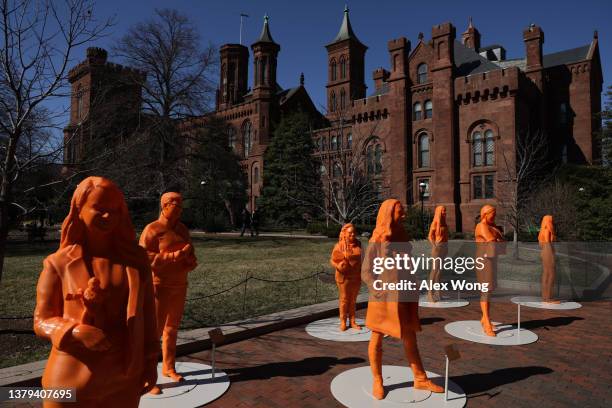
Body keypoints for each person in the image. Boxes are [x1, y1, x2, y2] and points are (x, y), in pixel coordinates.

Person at [33, 177, 158, 407]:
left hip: (124, 379)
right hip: (69, 382)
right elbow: (41, 321)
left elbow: (149, 315)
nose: (108, 216)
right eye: (99, 209)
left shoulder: (137, 260)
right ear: (79, 210)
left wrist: (150, 362)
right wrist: (75, 332)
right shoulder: (57, 263)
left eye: (114, 210)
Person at [362, 199, 443, 400]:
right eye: (401, 212)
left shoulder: (402, 235)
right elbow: (365, 270)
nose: (405, 215)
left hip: (404, 295)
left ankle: (420, 378)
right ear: (389, 213)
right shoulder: (378, 237)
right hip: (384, 297)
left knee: (410, 337)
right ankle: (377, 380)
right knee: (376, 337)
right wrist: (374, 286)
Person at [139, 192, 197, 391]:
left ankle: (168, 367)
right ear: (164, 205)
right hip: (158, 286)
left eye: (182, 205)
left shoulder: (182, 229)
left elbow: (191, 256)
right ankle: (147, 377)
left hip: (179, 285)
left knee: (172, 329)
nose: (180, 209)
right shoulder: (152, 230)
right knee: (153, 334)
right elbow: (144, 258)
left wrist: (190, 261)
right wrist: (174, 256)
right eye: (176, 205)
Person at [474, 205, 505, 337]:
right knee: (485, 290)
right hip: (484, 261)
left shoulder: (493, 227)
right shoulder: (481, 226)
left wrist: (498, 241)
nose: (495, 216)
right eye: (493, 214)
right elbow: (493, 242)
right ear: (485, 214)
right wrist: (497, 240)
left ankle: (484, 317)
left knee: (489, 289)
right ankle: (486, 321)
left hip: (492, 260)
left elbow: (502, 246)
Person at [330, 224, 362, 331]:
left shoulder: (359, 244)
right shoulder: (339, 246)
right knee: (344, 300)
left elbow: (361, 259)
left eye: (354, 232)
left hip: (356, 276)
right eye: (350, 233)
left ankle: (352, 321)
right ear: (345, 234)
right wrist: (338, 266)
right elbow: (332, 260)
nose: (353, 234)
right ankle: (343, 321)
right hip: (344, 277)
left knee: (353, 300)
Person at [427, 206, 449, 303]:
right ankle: (430, 293)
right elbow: (430, 236)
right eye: (443, 210)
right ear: (439, 212)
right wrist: (434, 245)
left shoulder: (444, 223)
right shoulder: (435, 223)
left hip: (444, 247)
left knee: (440, 271)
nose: (445, 212)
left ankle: (438, 292)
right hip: (437, 247)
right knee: (434, 270)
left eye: (445, 210)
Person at [538, 215, 560, 303]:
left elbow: (542, 243)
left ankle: (545, 296)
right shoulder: (547, 229)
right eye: (551, 220)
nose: (552, 221)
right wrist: (552, 253)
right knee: (551, 274)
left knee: (546, 273)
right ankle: (548, 298)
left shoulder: (542, 230)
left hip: (544, 251)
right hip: (548, 250)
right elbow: (548, 242)